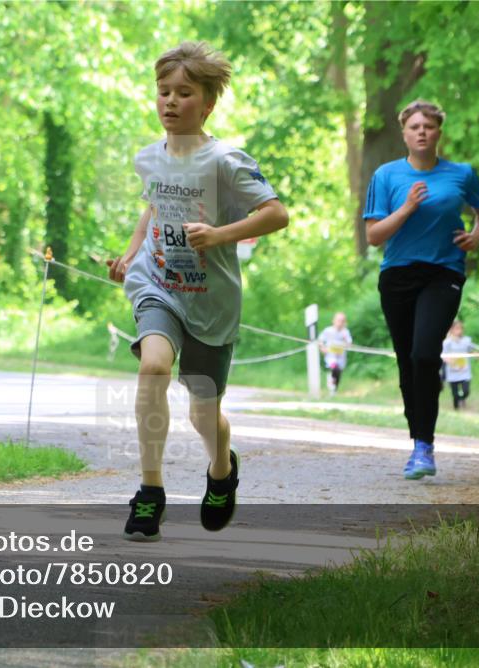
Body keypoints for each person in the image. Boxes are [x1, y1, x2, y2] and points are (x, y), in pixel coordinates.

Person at [107, 42, 288, 541]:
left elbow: (276, 213)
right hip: (159, 284)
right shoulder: (151, 157)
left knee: (202, 409)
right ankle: (150, 492)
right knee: (153, 366)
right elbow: (152, 208)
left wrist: (219, 236)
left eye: (183, 93)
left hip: (211, 298)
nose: (169, 102)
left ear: (206, 104)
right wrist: (129, 256)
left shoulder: (227, 160)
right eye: (163, 91)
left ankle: (221, 470)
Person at [363, 99, 479, 480]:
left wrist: (476, 237)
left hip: (444, 272)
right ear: (404, 133)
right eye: (415, 127)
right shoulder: (386, 176)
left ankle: (425, 446)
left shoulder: (461, 174)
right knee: (407, 361)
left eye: (429, 127)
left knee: (424, 353)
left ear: (439, 132)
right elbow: (373, 236)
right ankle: (417, 440)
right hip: (399, 276)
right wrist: (405, 209)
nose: (422, 132)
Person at [318, 311, 353, 396]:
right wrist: (322, 348)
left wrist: (345, 340)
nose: (340, 323)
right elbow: (320, 341)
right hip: (331, 356)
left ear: (344, 322)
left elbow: (350, 344)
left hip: (341, 357)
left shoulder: (345, 332)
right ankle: (332, 386)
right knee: (335, 369)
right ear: (333, 321)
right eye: (338, 320)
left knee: (338, 373)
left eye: (342, 321)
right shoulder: (328, 330)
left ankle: (334, 389)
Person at [441, 320, 472, 409]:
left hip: (464, 371)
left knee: (466, 391)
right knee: (455, 394)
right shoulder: (447, 342)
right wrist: (450, 361)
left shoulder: (467, 340)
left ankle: (462, 399)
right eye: (457, 328)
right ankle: (456, 407)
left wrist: (477, 354)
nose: (459, 330)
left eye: (461, 328)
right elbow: (443, 355)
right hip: (452, 371)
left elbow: (471, 350)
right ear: (451, 330)